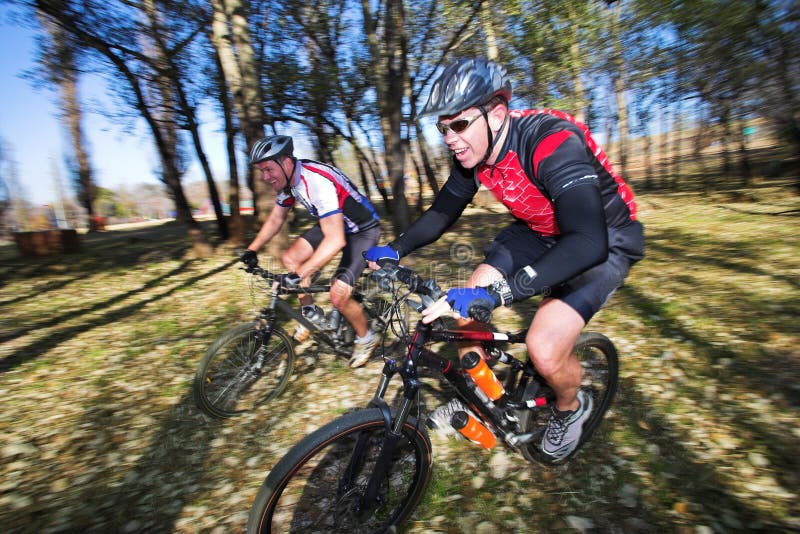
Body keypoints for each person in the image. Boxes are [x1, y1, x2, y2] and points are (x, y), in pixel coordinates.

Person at [365, 58, 644, 460]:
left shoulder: (551, 140)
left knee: (544, 348)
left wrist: (498, 295)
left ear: (496, 113)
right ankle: (485, 398)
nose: (449, 138)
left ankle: (571, 408)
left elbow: (586, 242)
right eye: (442, 128)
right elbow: (444, 211)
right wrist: (397, 248)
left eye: (458, 125)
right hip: (538, 231)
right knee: (465, 311)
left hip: (602, 236)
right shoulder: (473, 154)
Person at [241, 134, 381, 368]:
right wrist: (252, 249)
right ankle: (310, 315)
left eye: (268, 169)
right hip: (338, 224)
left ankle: (366, 338)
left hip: (362, 230)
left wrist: (298, 276)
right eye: (261, 172)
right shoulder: (288, 182)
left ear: (285, 162)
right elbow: (276, 219)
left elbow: (335, 240)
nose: (265, 177)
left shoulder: (315, 181)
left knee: (338, 294)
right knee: (291, 258)